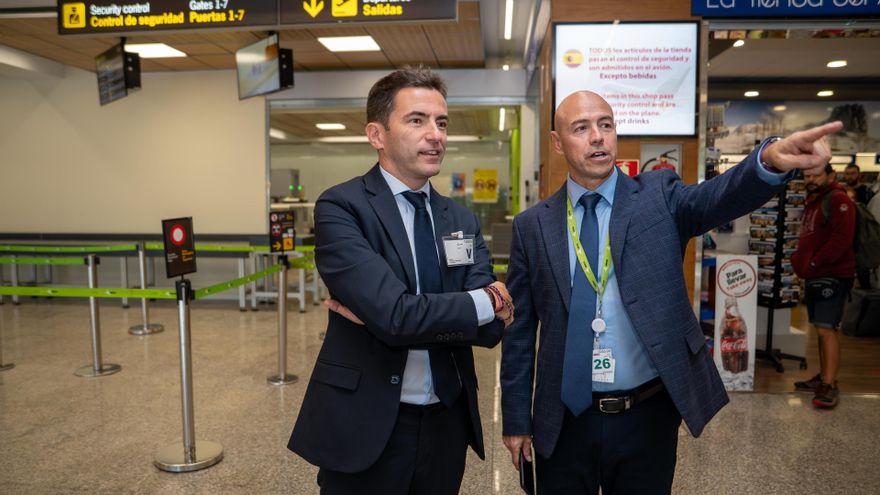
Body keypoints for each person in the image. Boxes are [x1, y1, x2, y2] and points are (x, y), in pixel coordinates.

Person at [500, 90, 843, 494]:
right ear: (558, 142)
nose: (597, 137)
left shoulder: (658, 197)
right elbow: (519, 334)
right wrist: (517, 420)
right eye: (581, 128)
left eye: (605, 125)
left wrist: (767, 162)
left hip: (646, 416)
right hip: (562, 420)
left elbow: (718, 196)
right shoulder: (532, 227)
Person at [287, 67, 514, 495]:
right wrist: (485, 298)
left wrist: (403, 313)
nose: (436, 135)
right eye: (417, 120)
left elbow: (490, 332)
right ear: (377, 134)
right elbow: (395, 316)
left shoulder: (460, 220)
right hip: (365, 423)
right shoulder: (342, 207)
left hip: (447, 423)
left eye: (441, 122)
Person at [791, 163, 855, 409]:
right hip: (816, 274)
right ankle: (825, 376)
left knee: (827, 330)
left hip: (832, 275)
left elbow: (842, 240)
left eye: (816, 175)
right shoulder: (815, 200)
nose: (811, 179)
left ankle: (829, 385)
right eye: (807, 175)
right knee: (821, 329)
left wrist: (816, 262)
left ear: (830, 175)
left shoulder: (838, 200)